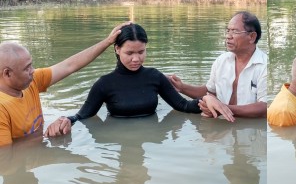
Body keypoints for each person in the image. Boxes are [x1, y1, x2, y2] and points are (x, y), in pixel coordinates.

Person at [44, 24, 201, 137]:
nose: (136, 59)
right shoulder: (104, 84)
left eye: (141, 52)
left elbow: (184, 106)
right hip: (117, 137)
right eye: (129, 53)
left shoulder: (154, 77)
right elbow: (82, 116)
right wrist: (65, 120)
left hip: (148, 135)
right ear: (117, 49)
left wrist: (206, 101)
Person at [0, 22, 128, 146]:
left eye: (31, 65)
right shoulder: (2, 108)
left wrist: (108, 41)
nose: (33, 70)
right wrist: (47, 134)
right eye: (26, 68)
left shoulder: (31, 81)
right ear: (7, 73)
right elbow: (8, 157)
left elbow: (69, 65)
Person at [169, 11, 267, 122]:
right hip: (222, 128)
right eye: (228, 31)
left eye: (234, 31)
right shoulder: (221, 61)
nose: (228, 36)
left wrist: (222, 108)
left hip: (251, 131)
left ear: (252, 37)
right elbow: (209, 91)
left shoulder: (264, 65)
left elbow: (264, 107)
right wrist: (182, 87)